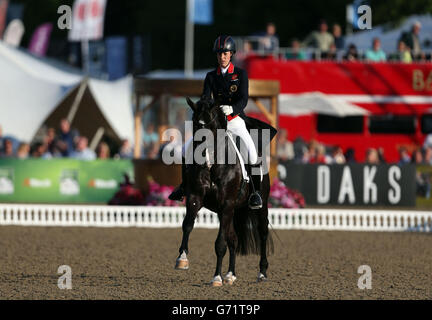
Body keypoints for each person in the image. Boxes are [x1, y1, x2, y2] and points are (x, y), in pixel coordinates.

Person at [169, 35, 277, 210]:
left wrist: (232, 109)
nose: (222, 57)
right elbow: (205, 97)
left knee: (252, 153)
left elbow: (243, 99)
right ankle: (184, 186)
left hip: (234, 121)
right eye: (219, 54)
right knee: (185, 149)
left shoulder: (241, 74)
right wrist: (208, 108)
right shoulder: (211, 76)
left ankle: (255, 192)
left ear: (231, 54)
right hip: (214, 123)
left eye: (225, 53)